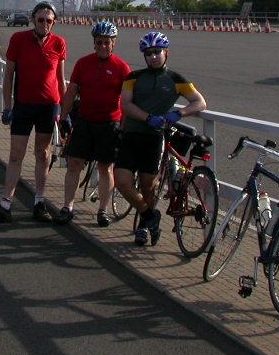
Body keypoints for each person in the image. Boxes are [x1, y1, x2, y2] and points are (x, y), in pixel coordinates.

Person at [115, 31, 206, 246]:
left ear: (166, 53)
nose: (153, 57)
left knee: (148, 185)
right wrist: (148, 117)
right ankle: (150, 215)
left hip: (154, 138)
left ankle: (143, 228)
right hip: (132, 135)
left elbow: (200, 102)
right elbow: (125, 104)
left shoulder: (176, 80)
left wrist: (179, 113)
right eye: (149, 53)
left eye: (157, 52)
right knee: (122, 182)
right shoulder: (133, 78)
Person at [0, 1, 67, 224]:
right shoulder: (18, 40)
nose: (45, 24)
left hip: (48, 107)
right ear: (33, 20)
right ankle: (5, 205)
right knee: (15, 155)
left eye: (49, 21)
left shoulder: (59, 43)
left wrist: (64, 111)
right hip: (23, 106)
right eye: (41, 19)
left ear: (54, 22)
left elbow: (60, 79)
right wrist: (7, 106)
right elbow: (9, 74)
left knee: (43, 155)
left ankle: (39, 203)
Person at [54, 21, 131, 227]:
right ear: (94, 43)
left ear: (113, 43)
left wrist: (123, 126)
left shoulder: (122, 67)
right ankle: (67, 207)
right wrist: (63, 117)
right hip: (85, 122)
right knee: (74, 165)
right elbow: (71, 92)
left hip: (109, 123)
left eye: (107, 42)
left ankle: (102, 210)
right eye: (99, 42)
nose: (103, 46)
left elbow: (127, 100)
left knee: (106, 168)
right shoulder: (83, 63)